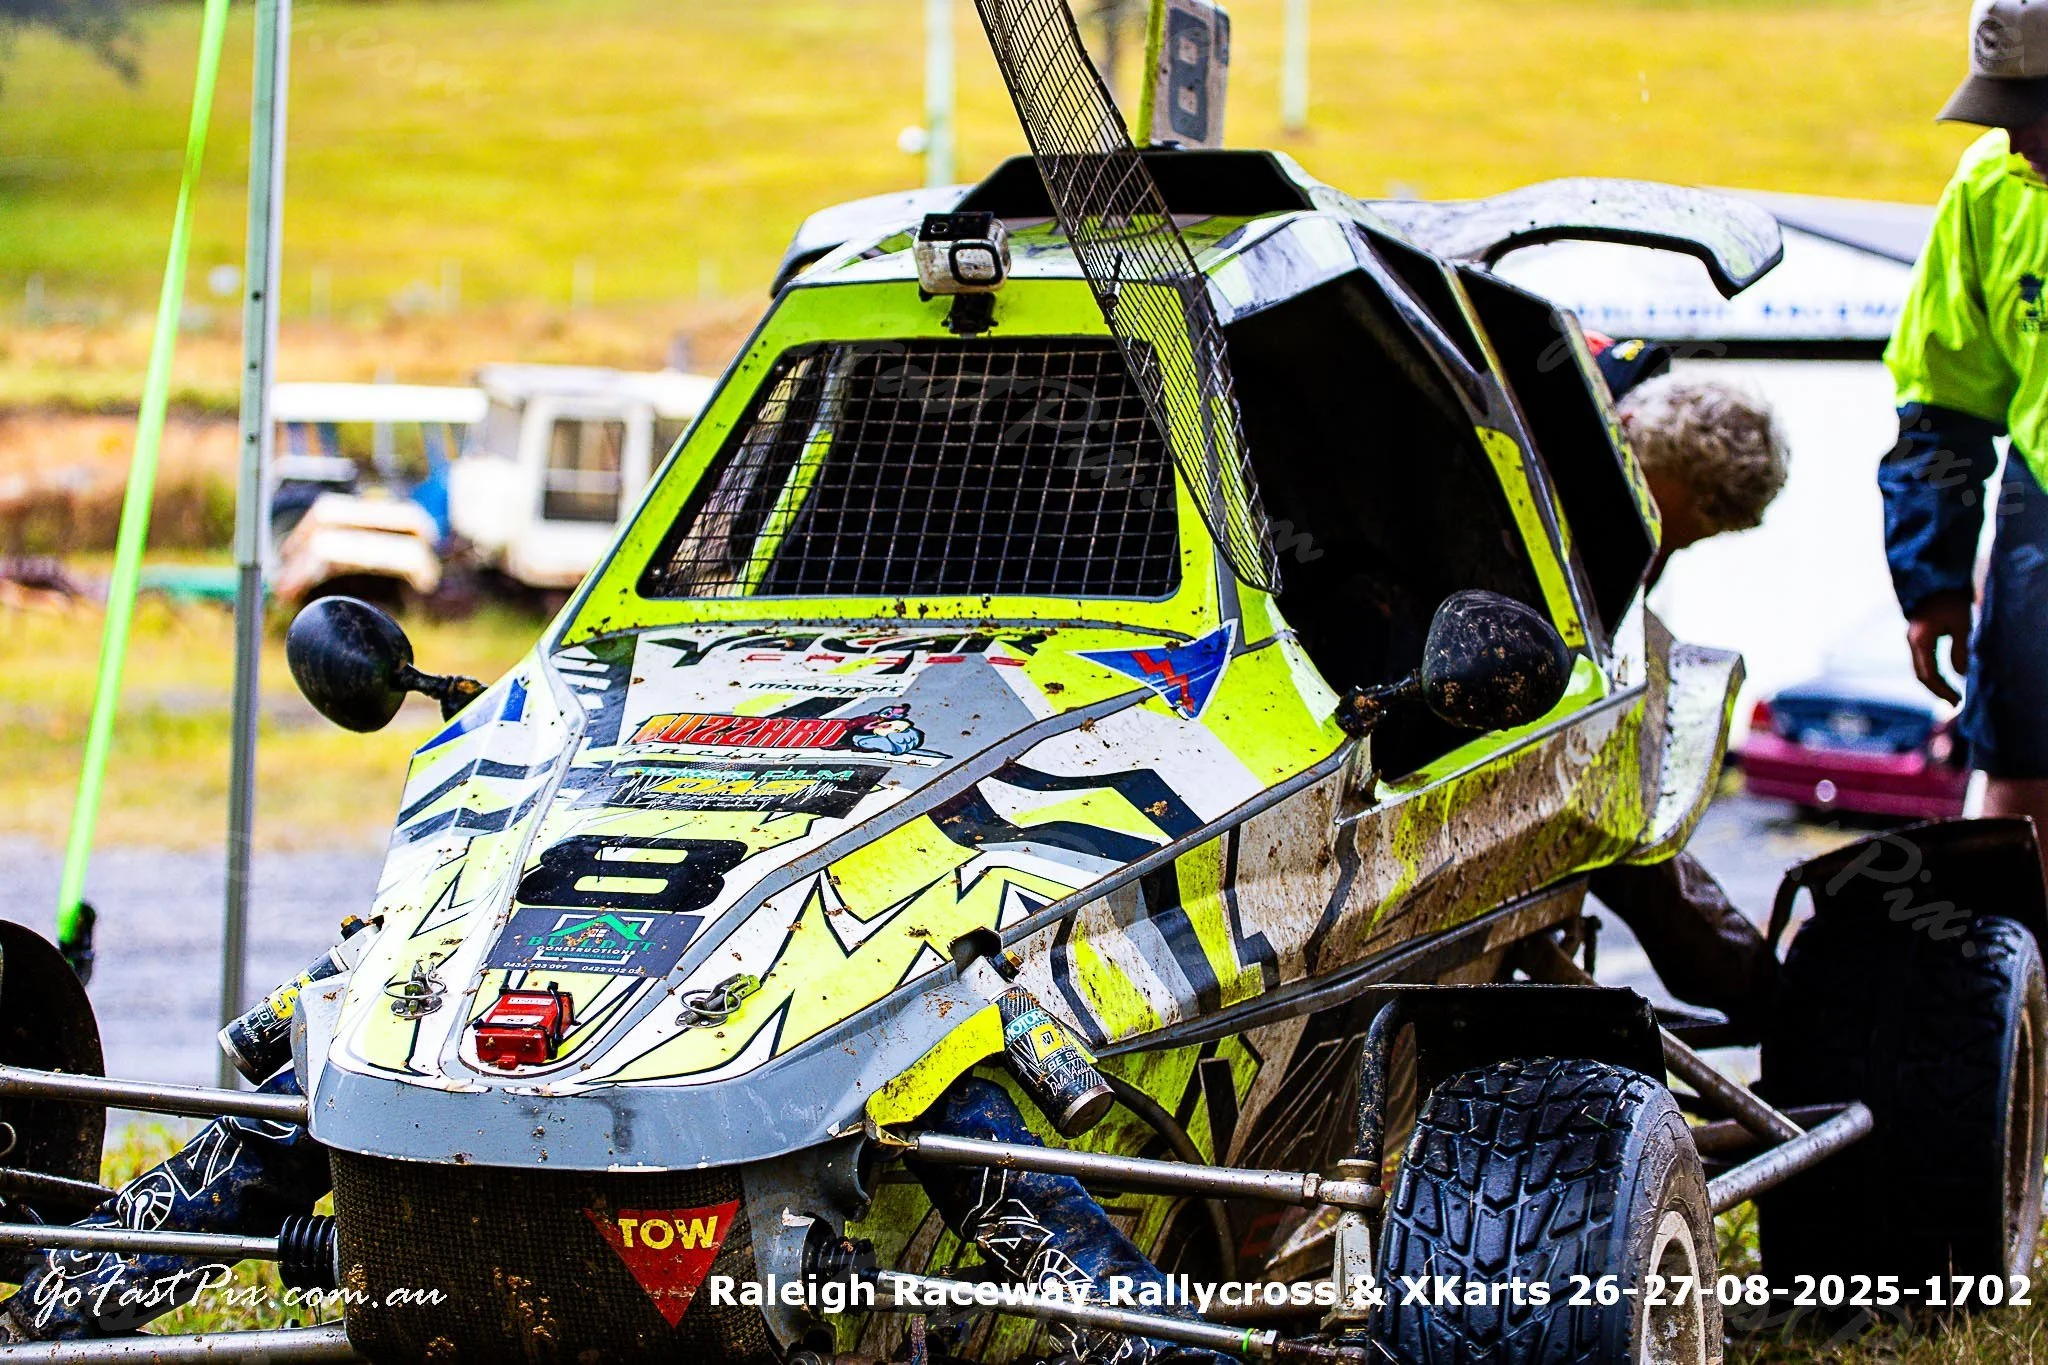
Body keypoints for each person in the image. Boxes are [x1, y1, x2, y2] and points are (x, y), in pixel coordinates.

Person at [1580, 337, 1795, 1029]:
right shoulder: (1529, 404)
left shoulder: (1614, 424)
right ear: (1633, 433)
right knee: (1615, 815)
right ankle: (1770, 996)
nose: (1659, 556)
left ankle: (1763, 991)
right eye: (1671, 530)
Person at [1880, 0, 2048, 868]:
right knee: (2019, 777)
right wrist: (1936, 577)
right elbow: (1941, 402)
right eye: (2003, 115)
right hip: (2043, 516)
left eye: (2036, 116)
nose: (2018, 143)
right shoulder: (1992, 188)